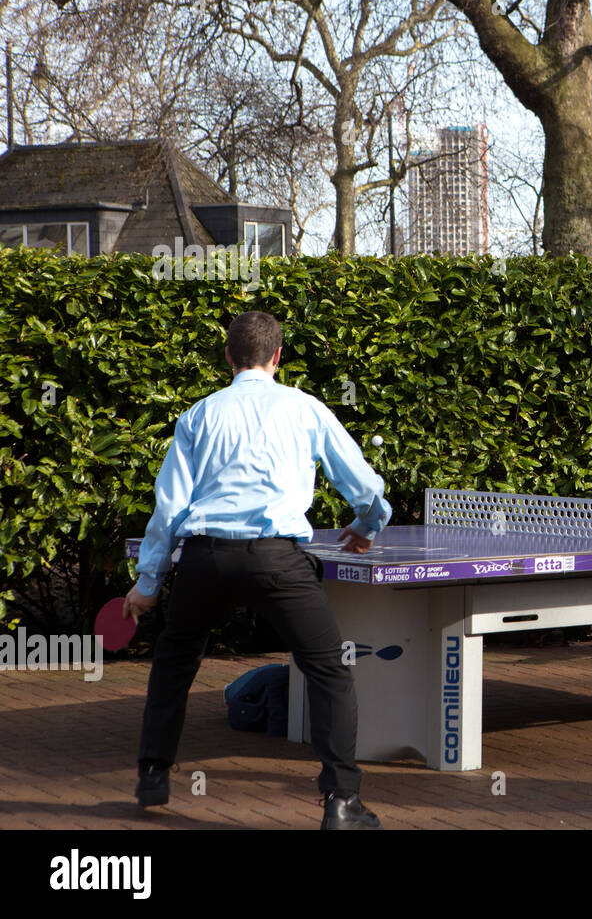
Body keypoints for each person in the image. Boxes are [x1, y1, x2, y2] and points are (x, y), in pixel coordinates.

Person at [124, 311, 393, 830]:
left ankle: (153, 774)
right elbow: (364, 485)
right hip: (278, 561)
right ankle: (342, 802)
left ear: (227, 357)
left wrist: (147, 583)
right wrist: (368, 524)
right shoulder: (306, 409)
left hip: (206, 558)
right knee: (329, 673)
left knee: (175, 662)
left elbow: (169, 507)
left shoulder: (199, 415)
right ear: (277, 357)